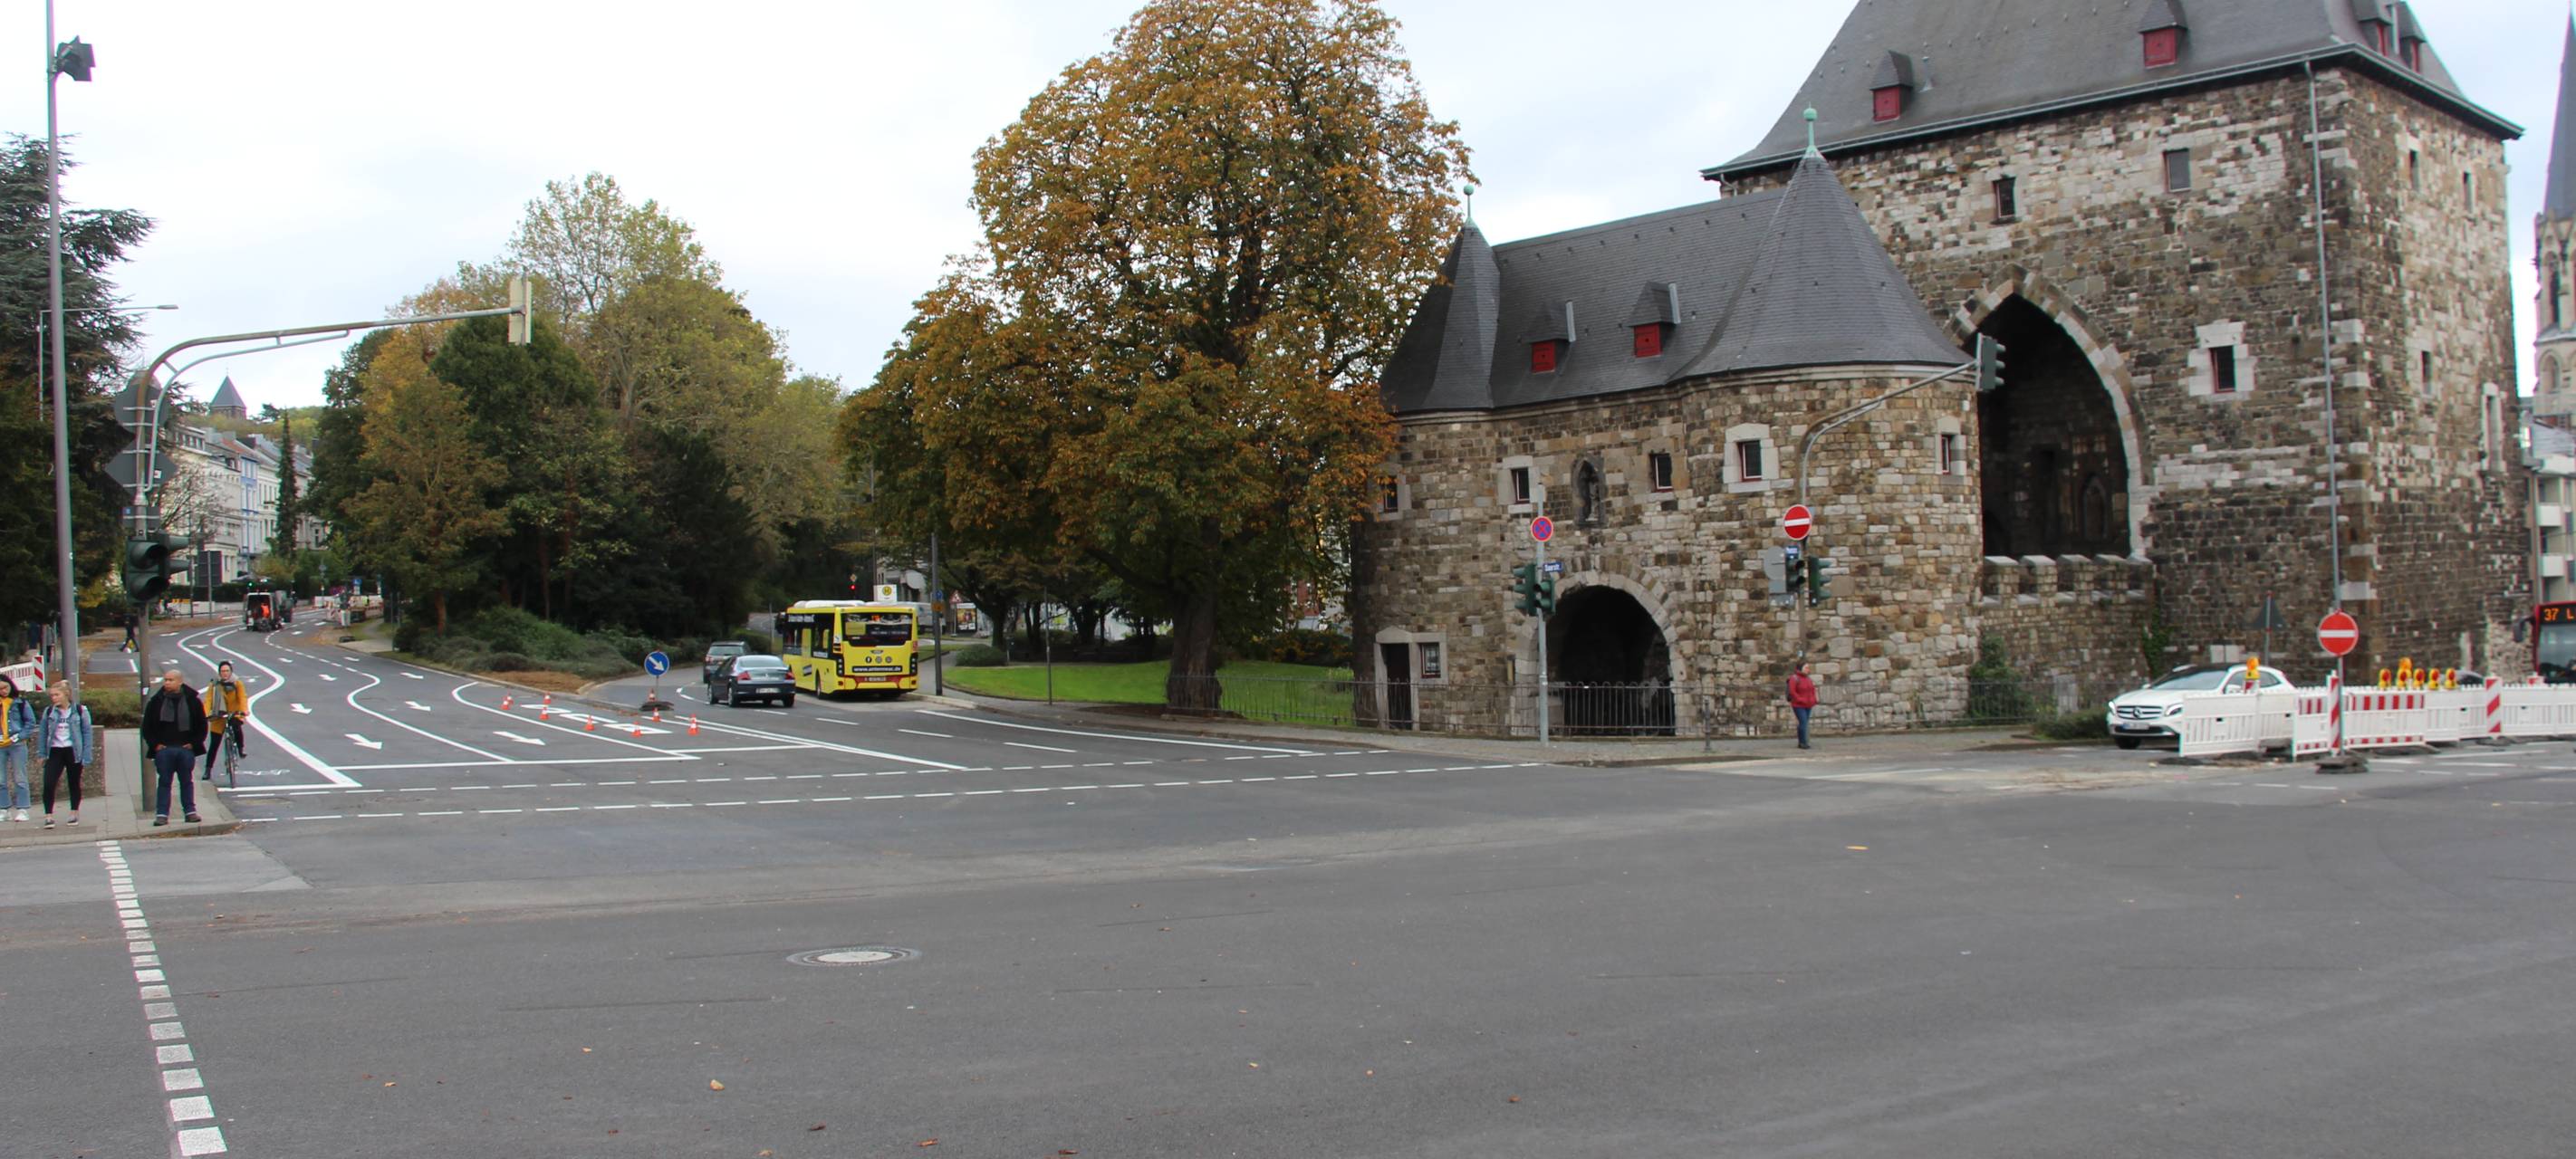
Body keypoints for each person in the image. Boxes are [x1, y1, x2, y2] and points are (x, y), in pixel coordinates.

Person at [140, 666, 207, 826]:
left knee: (186, 781)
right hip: (164, 750)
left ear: (180, 682)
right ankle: (162, 814)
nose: (167, 683)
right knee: (164, 782)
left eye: (171, 680)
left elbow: (202, 725)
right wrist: (156, 745)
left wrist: (194, 743)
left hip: (185, 749)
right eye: (165, 680)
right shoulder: (157, 702)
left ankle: (190, 812)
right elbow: (147, 727)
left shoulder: (192, 701)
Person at [38, 682, 90, 828]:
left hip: (73, 750)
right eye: (52, 695)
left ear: (66, 694)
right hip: (55, 750)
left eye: (57, 695)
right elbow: (43, 733)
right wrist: (42, 754)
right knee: (49, 783)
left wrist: (86, 755)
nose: (54, 698)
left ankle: (74, 813)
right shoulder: (49, 712)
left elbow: (86, 732)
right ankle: (48, 816)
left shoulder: (80, 710)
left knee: (73, 783)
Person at [203, 660, 250, 779]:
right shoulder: (214, 684)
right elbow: (208, 699)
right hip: (219, 714)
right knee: (214, 744)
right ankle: (208, 770)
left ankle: (240, 749)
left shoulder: (237, 683)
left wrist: (244, 710)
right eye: (222, 671)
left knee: (237, 727)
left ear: (231, 672)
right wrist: (206, 713)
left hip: (234, 712)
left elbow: (242, 697)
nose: (225, 673)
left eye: (227, 671)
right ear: (219, 672)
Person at [0, 675, 32, 821]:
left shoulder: (19, 702)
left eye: (6, 687)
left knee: (20, 777)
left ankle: (23, 808)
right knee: (0, 780)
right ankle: (4, 808)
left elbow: (30, 722)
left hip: (17, 744)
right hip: (1, 745)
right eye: (0, 689)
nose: (4, 691)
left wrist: (19, 736)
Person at [1785, 660, 1820, 751]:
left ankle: (1802, 741)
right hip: (1798, 704)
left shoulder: (1808, 679)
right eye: (1806, 668)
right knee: (1803, 722)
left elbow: (1812, 690)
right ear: (1801, 668)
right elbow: (1793, 692)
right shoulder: (1794, 678)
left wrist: (1813, 700)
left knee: (1804, 723)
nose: (1808, 669)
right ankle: (1803, 742)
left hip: (1808, 704)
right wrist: (1801, 699)